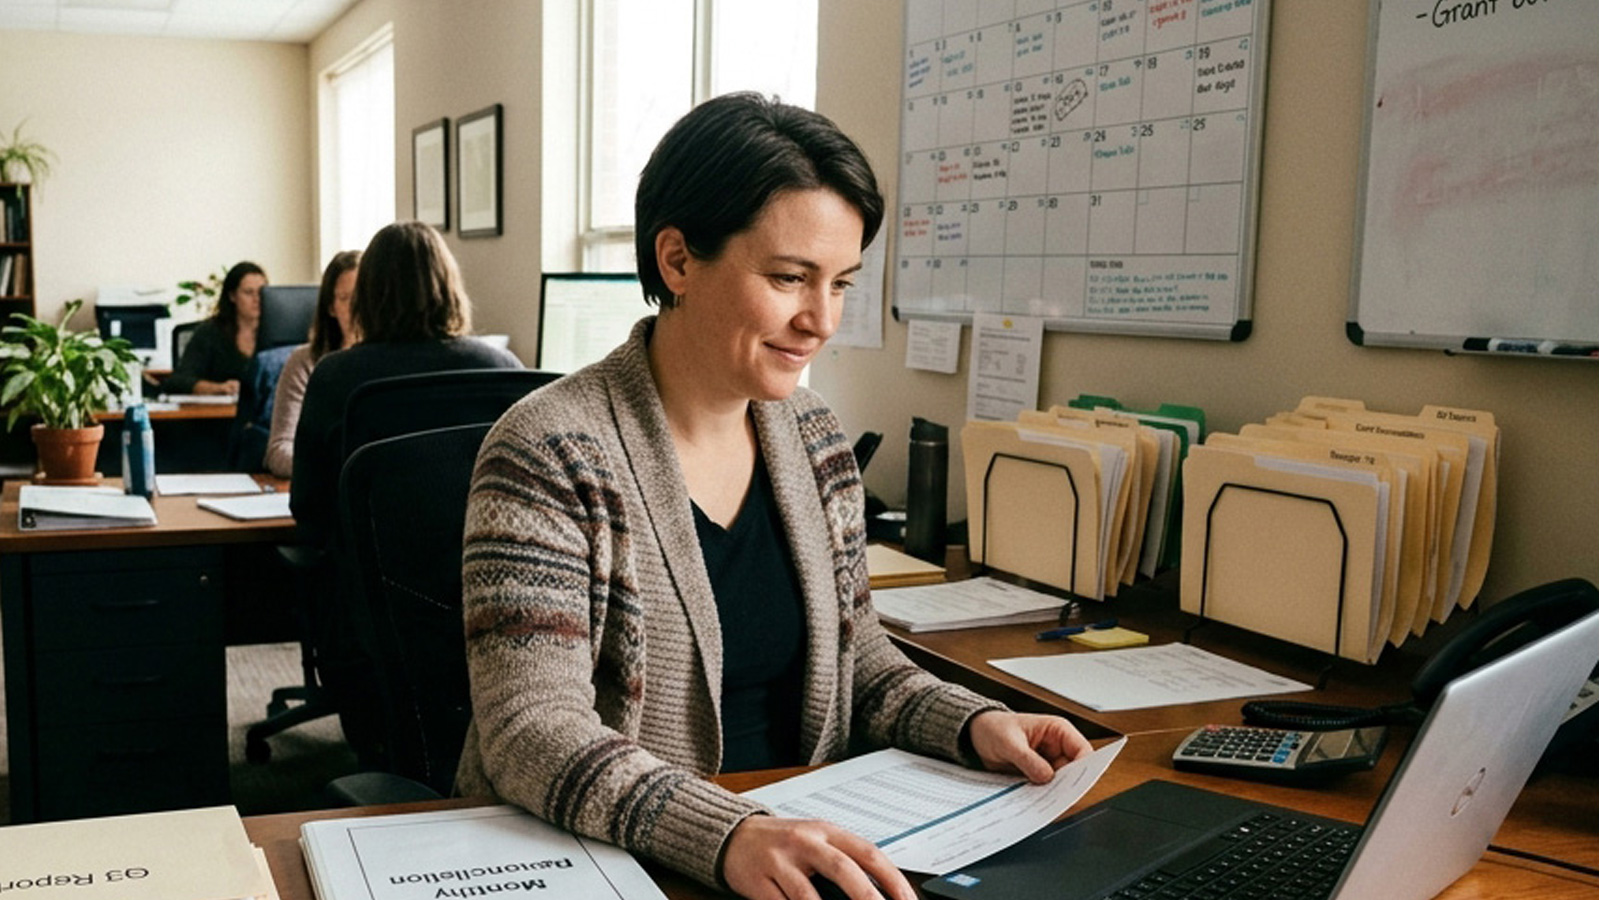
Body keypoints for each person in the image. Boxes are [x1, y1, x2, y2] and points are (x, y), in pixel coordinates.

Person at [455, 93, 1091, 900]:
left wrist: (969, 721)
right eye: (790, 278)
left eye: (842, 283)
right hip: (616, 859)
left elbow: (860, 661)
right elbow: (530, 732)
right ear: (678, 260)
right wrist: (727, 834)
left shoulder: (815, 436)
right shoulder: (548, 450)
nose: (820, 320)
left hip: (798, 848)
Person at [290, 221, 521, 546]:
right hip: (478, 578)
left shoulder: (335, 376)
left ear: (367, 295)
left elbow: (307, 506)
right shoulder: (503, 370)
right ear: (449, 287)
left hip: (369, 583)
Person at [262, 250, 359, 478]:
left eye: (363, 297)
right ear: (331, 307)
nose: (357, 308)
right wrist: (333, 471)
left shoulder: (391, 361)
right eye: (346, 298)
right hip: (322, 491)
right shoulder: (305, 362)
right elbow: (278, 450)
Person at [163, 261, 264, 395]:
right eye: (248, 292)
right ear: (232, 296)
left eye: (262, 292)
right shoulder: (210, 333)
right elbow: (179, 381)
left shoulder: (279, 333)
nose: (257, 299)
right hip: (221, 412)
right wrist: (218, 388)